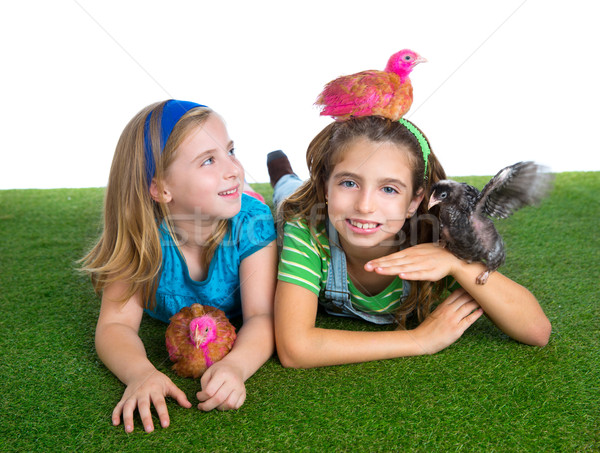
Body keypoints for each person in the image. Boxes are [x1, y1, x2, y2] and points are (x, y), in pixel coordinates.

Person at [271, 116, 551, 369]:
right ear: (325, 187)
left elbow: (537, 331)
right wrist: (419, 340)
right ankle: (282, 174)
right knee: (288, 193)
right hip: (300, 201)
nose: (365, 206)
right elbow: (295, 349)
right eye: (349, 183)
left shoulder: (438, 238)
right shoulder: (305, 231)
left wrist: (458, 265)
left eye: (389, 189)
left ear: (415, 201)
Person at [81, 100, 277, 432]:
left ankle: (280, 171)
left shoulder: (253, 223)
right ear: (160, 188)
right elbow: (115, 325)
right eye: (209, 160)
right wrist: (141, 373)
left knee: (280, 199)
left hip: (244, 203)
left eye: (231, 151)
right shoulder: (141, 236)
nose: (234, 168)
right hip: (213, 203)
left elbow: (261, 315)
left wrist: (237, 366)